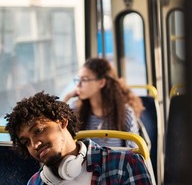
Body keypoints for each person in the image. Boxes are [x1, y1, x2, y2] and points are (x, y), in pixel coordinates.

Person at [4, 91, 152, 185]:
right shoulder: (36, 182)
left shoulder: (124, 165)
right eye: (26, 142)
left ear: (62, 121)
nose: (34, 144)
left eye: (38, 130)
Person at [63, 58, 140, 148]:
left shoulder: (124, 113)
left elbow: (134, 151)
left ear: (101, 82)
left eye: (84, 80)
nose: (78, 85)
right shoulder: (76, 109)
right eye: (78, 80)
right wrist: (66, 97)